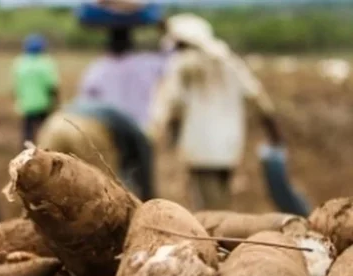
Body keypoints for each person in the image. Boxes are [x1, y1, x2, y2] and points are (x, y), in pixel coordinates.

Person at [148, 14, 307, 213]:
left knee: (209, 209)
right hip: (229, 146)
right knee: (221, 198)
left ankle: (217, 240)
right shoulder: (230, 62)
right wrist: (273, 132)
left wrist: (165, 133)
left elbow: (172, 105)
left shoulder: (183, 66)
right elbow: (257, 97)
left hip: (199, 148)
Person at [36, 99, 155, 200]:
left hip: (53, 124)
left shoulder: (113, 115)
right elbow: (145, 169)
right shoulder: (141, 138)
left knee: (41, 179)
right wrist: (148, 198)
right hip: (86, 128)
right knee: (106, 190)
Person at [12, 33, 60, 145]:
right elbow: (52, 85)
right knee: (45, 132)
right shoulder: (46, 63)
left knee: (27, 132)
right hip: (43, 104)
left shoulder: (19, 63)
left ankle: (25, 155)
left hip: (26, 104)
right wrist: (56, 102)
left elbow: (16, 87)